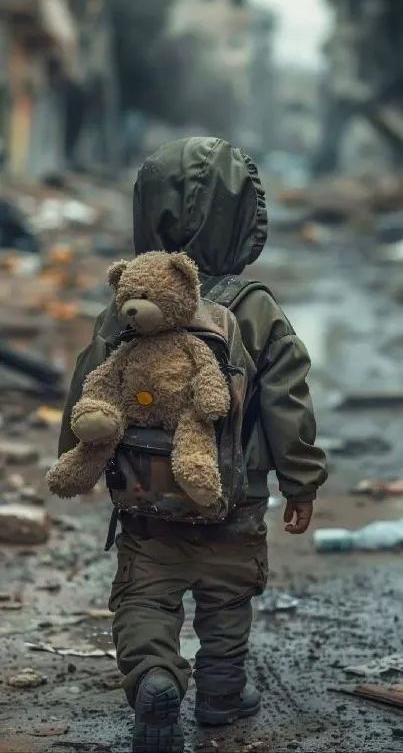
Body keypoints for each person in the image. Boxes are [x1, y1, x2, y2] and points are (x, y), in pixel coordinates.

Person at [58, 137, 328, 753]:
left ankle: (155, 674)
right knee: (226, 597)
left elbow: (88, 387)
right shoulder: (256, 308)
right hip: (234, 499)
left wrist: (68, 459)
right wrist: (301, 481)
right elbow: (288, 402)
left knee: (144, 593)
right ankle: (221, 693)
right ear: (243, 217)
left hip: (146, 503)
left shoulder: (128, 304)